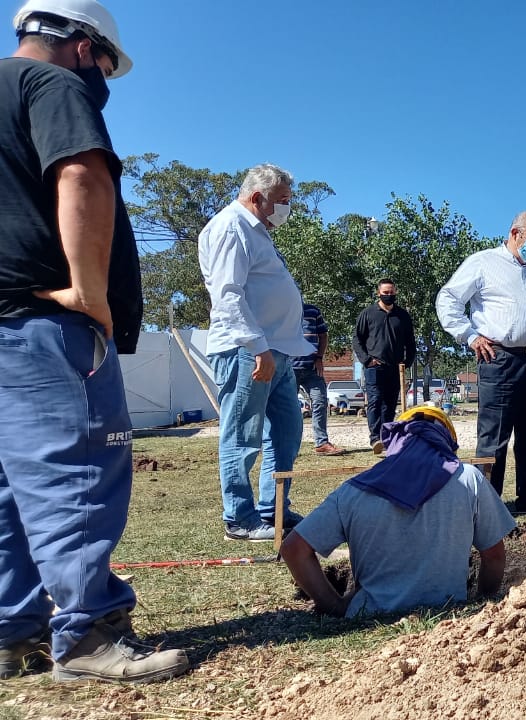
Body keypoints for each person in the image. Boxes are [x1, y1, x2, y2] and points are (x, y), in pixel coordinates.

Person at [0, 0, 189, 683]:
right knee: (76, 472)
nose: (105, 77)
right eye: (107, 64)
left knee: (10, 490)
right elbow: (81, 173)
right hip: (43, 326)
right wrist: (88, 291)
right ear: (83, 47)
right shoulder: (49, 86)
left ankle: (11, 634)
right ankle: (87, 635)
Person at [281, 406, 516, 617]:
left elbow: (294, 549)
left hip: (367, 617)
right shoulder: (469, 480)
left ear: (394, 441)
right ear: (446, 441)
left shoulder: (353, 491)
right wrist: (481, 603)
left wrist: (334, 606)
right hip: (449, 615)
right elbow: (493, 556)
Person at [199, 164, 315, 542]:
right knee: (242, 435)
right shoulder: (231, 228)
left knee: (286, 431)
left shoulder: (258, 232)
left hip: (277, 352)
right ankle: (239, 517)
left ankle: (274, 508)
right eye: (282, 201)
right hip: (248, 350)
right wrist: (257, 347)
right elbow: (228, 295)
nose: (287, 208)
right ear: (255, 197)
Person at [436, 211, 526, 513]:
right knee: (493, 436)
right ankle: (485, 504)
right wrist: (469, 336)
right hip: (499, 359)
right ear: (514, 233)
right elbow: (448, 299)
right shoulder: (483, 262)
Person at [353, 279, 415, 454]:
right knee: (375, 401)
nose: (389, 295)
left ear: (395, 292)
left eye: (391, 292)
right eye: (385, 292)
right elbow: (357, 339)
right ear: (378, 293)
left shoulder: (402, 316)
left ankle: (386, 438)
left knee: (389, 405)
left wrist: (407, 362)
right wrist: (367, 360)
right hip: (374, 367)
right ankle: (375, 438)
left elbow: (410, 342)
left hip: (395, 368)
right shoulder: (368, 314)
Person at [295, 302, 342, 455]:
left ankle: (321, 443)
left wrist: (319, 357)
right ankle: (286, 446)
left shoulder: (313, 311)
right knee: (287, 408)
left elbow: (323, 335)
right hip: (289, 369)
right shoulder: (281, 309)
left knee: (320, 402)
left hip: (312, 369)